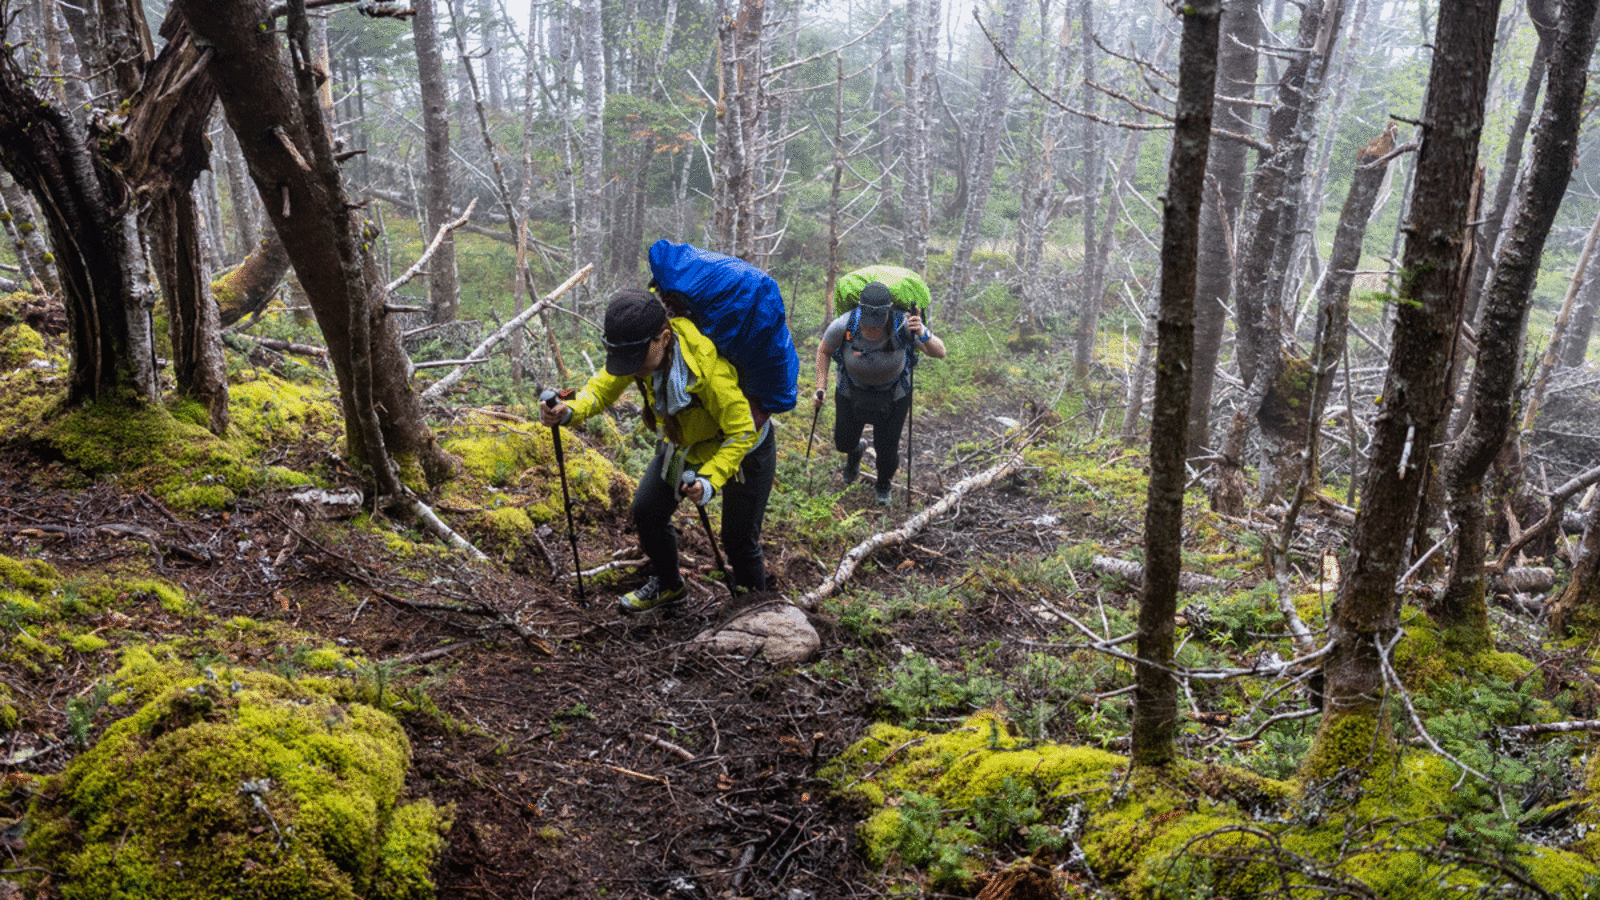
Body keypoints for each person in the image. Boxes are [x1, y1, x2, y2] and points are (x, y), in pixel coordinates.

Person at [542, 288, 775, 613]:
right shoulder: (636, 352)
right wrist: (569, 408)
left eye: (638, 359)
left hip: (746, 448)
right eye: (626, 360)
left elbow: (742, 431)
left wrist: (708, 480)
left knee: (738, 540)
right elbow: (599, 388)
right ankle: (670, 587)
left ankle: (757, 613)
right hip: (685, 444)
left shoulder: (707, 370)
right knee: (648, 510)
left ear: (664, 338)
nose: (632, 368)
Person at [813, 280, 946, 505]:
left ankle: (883, 483)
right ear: (860, 310)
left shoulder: (903, 325)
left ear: (889, 311)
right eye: (868, 320)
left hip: (894, 394)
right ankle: (856, 452)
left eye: (878, 321)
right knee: (843, 442)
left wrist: (922, 331)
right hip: (850, 389)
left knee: (887, 450)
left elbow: (939, 352)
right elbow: (824, 350)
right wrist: (820, 387)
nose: (872, 327)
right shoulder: (845, 324)